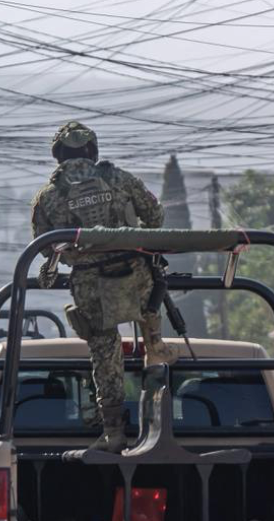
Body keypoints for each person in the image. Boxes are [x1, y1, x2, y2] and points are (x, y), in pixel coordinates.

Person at [30, 121, 177, 453]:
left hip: (90, 285)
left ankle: (113, 431)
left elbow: (42, 246)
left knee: (104, 353)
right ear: (92, 151)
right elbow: (154, 216)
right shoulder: (119, 178)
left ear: (58, 156)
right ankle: (159, 421)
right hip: (136, 277)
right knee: (152, 344)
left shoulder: (48, 197)